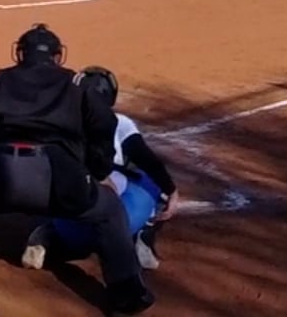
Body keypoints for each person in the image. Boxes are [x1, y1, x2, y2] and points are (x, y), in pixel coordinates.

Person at [0, 25, 155, 314]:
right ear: (58, 57)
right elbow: (104, 124)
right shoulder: (77, 83)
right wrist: (95, 170)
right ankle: (127, 295)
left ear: (20, 54)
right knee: (109, 210)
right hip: (59, 179)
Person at [21, 66, 179, 273]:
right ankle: (143, 237)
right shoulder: (120, 123)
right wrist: (172, 190)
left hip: (67, 224)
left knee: (57, 183)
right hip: (118, 227)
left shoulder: (58, 123)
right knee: (149, 181)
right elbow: (147, 160)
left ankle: (50, 233)